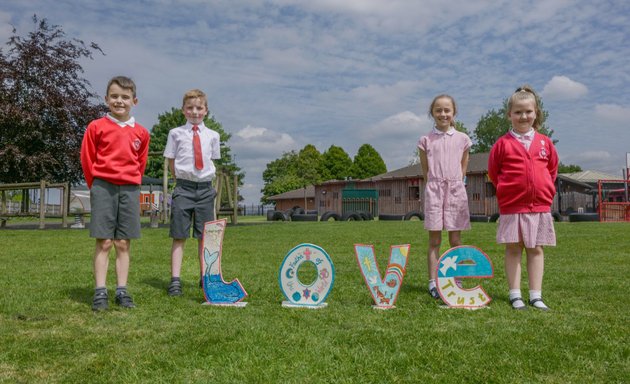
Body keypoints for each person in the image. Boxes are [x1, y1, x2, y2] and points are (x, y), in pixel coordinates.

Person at [81, 76, 150, 311]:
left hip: (129, 189)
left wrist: (132, 182)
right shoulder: (96, 127)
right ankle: (100, 292)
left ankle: (122, 291)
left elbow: (140, 163)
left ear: (134, 101)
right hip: (103, 187)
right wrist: (97, 184)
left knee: (122, 243)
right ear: (106, 99)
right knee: (105, 242)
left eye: (125, 97)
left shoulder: (141, 132)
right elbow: (87, 158)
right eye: (114, 96)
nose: (119, 101)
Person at [488, 85, 558, 311]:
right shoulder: (502, 144)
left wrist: (544, 189)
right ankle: (515, 294)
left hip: (539, 207)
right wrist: (508, 191)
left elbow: (552, 170)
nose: (523, 116)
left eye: (528, 111)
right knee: (514, 249)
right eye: (517, 112)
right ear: (509, 115)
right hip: (512, 207)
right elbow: (493, 172)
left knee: (536, 249)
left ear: (536, 113)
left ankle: (536, 295)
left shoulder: (545, 143)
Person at [163, 89, 221, 296]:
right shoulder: (175, 134)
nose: (194, 112)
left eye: (199, 108)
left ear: (206, 111)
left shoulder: (213, 136)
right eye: (190, 108)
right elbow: (171, 161)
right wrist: (181, 180)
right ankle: (175, 280)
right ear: (183, 110)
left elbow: (211, 159)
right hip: (184, 189)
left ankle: (206, 277)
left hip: (205, 190)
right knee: (179, 236)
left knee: (205, 237)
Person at [418, 94, 472, 300]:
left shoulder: (463, 139)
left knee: (456, 239)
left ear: (454, 112)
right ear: (432, 113)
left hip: (456, 190)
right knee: (434, 240)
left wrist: (456, 183)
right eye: (438, 110)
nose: (443, 114)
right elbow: (426, 170)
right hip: (434, 190)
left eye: (447, 110)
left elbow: (463, 167)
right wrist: (435, 184)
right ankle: (433, 282)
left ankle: (454, 278)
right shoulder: (425, 140)